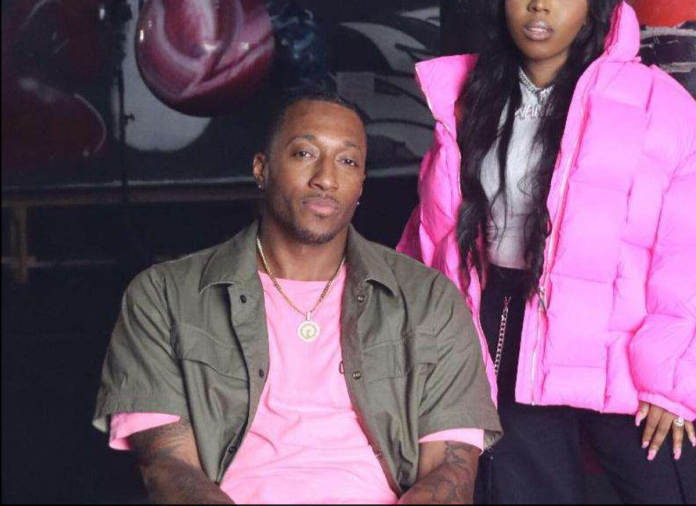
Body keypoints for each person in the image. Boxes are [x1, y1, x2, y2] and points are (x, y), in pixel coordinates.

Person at [397, 0, 696, 504]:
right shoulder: (467, 101)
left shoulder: (655, 104)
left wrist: (678, 380)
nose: (541, 4)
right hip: (508, 333)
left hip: (625, 345)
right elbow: (433, 236)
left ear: (593, 7)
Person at [93, 89, 502, 504]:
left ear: (361, 184)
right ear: (262, 169)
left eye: (347, 161)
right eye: (304, 153)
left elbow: (452, 471)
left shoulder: (429, 301)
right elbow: (166, 466)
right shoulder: (164, 297)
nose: (326, 178)